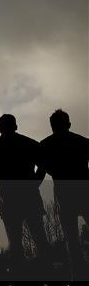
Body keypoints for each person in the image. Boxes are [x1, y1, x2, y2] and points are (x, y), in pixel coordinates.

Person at [0, 114, 52, 269]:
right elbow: (43, 166)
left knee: (15, 240)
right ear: (16, 126)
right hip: (29, 196)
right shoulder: (29, 144)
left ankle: (19, 275)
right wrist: (34, 184)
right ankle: (48, 271)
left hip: (9, 198)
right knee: (39, 235)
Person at [40, 109, 89, 275]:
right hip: (84, 191)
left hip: (64, 195)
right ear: (68, 123)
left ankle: (78, 274)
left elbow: (41, 172)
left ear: (52, 126)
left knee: (72, 239)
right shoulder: (82, 142)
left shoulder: (45, 145)